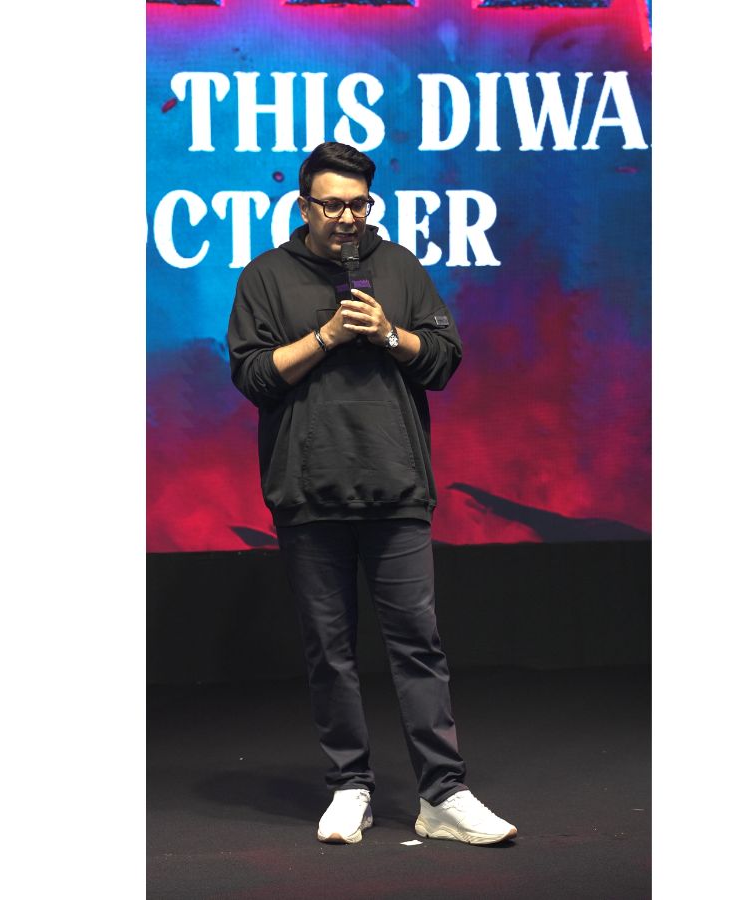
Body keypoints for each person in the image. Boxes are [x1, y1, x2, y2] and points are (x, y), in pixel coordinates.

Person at [226, 142, 517, 846]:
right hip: (307, 491)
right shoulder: (266, 277)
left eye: (358, 204)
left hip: (397, 487)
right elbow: (253, 376)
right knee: (329, 651)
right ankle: (349, 786)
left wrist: (390, 333)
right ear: (304, 206)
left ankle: (442, 794)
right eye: (332, 205)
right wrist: (327, 335)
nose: (347, 218)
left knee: (418, 645)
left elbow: (443, 360)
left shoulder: (400, 267)